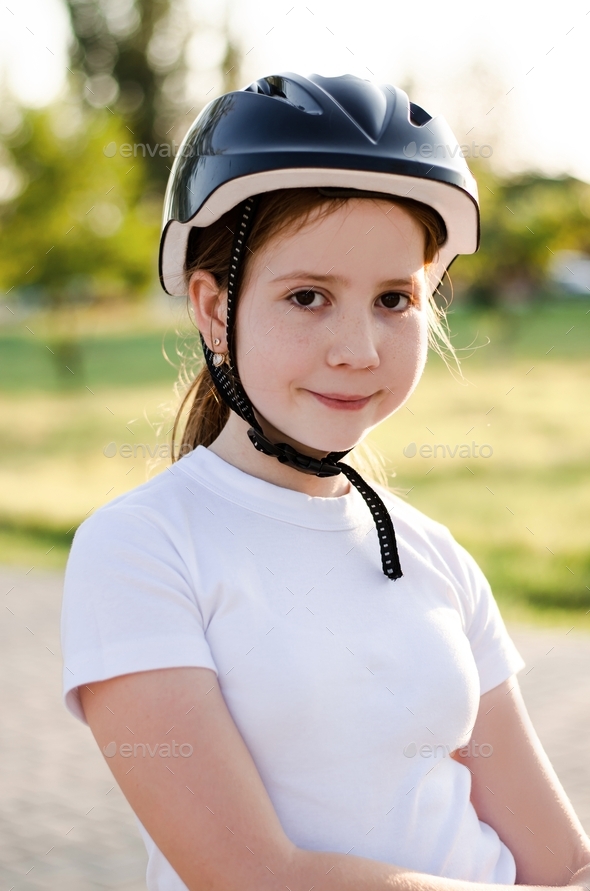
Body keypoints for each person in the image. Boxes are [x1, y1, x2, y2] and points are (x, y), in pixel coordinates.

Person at [60, 73, 590, 891]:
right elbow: (254, 875)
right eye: (308, 296)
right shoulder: (142, 548)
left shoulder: (433, 554)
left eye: (393, 298)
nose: (360, 348)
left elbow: (559, 860)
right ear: (211, 309)